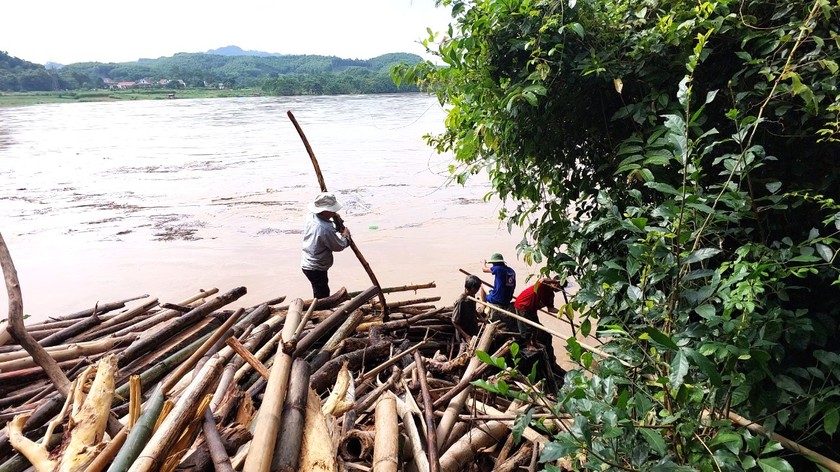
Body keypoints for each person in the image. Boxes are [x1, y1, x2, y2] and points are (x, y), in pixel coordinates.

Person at [301, 192, 351, 299]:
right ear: (324, 211)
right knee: (322, 295)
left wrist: (335, 220)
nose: (334, 212)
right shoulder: (324, 228)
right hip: (316, 267)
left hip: (308, 261)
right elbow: (338, 246)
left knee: (320, 289)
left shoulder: (311, 216)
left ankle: (319, 307)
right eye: (332, 210)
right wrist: (346, 237)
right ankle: (321, 312)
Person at [513, 275, 565, 365]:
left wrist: (563, 312)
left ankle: (534, 342)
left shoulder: (551, 295)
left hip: (532, 308)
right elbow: (542, 279)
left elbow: (551, 309)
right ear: (554, 283)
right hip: (523, 305)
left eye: (561, 288)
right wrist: (555, 281)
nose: (558, 288)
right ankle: (529, 345)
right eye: (559, 286)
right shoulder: (543, 285)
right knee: (526, 327)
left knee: (535, 327)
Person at [481, 252, 517, 331]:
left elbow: (484, 269)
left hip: (497, 299)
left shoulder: (498, 268)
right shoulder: (511, 271)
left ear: (495, 263)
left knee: (482, 285)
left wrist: (483, 262)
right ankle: (485, 303)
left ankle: (483, 305)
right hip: (507, 299)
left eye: (493, 264)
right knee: (494, 289)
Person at [451, 275, 486, 345]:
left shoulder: (472, 295)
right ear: (472, 289)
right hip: (464, 333)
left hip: (473, 328)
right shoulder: (461, 301)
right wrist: (466, 336)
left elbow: (472, 309)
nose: (478, 290)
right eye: (478, 288)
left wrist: (481, 317)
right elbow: (454, 321)